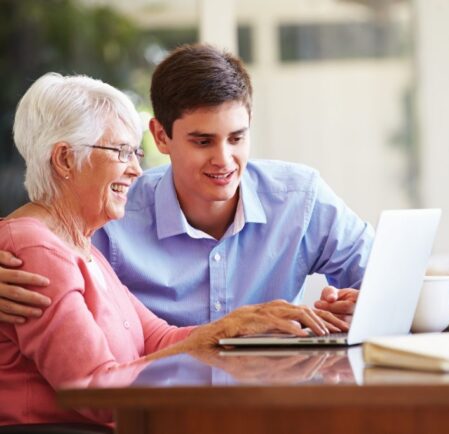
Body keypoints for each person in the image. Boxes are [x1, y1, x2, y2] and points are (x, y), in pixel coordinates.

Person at [0, 73, 346, 426]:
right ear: (65, 160)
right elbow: (95, 391)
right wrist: (221, 333)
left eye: (135, 153)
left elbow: (158, 338)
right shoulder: (36, 248)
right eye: (122, 152)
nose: (136, 170)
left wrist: (242, 324)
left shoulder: (80, 245)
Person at [0, 44, 374, 328]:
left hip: (271, 404)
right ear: (161, 137)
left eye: (237, 138)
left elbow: (388, 278)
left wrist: (366, 302)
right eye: (203, 141)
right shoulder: (114, 211)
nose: (224, 160)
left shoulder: (300, 198)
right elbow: (36, 233)